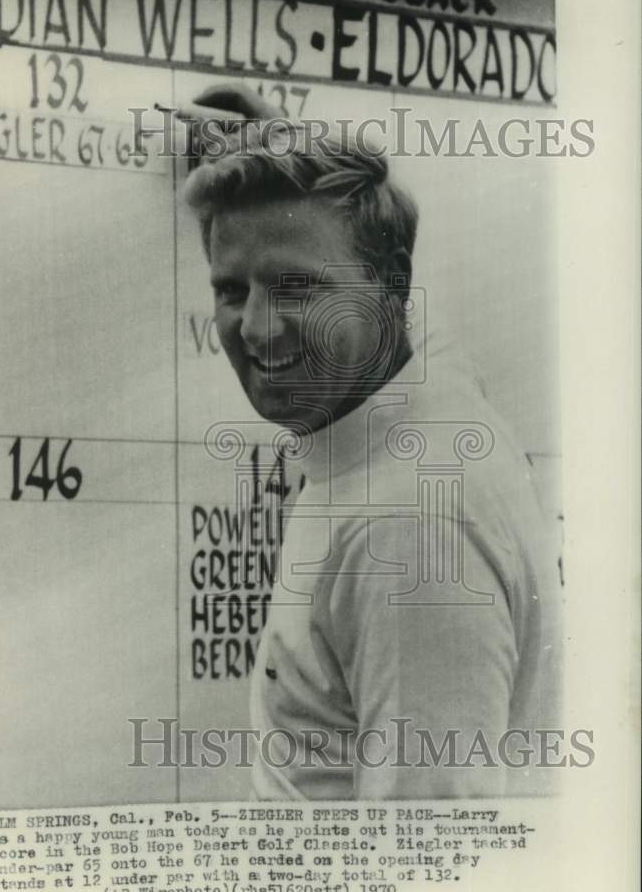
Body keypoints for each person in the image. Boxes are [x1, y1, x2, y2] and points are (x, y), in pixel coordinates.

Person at [182, 84, 561, 799]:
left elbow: (432, 878)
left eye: (296, 287)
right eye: (233, 291)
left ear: (389, 289)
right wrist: (283, 162)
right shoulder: (433, 385)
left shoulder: (407, 534)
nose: (256, 329)